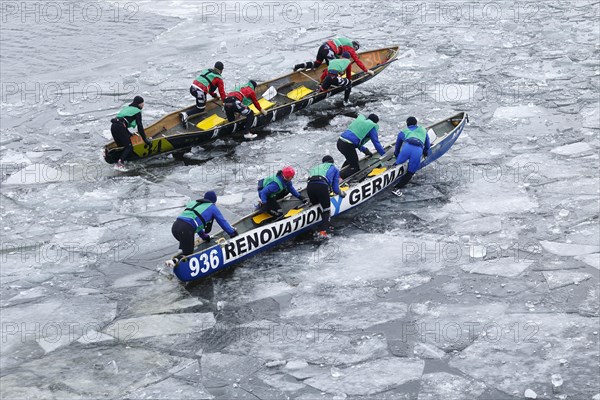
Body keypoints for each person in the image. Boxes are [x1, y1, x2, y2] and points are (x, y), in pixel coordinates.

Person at [168, 191, 238, 265]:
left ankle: (180, 252)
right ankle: (174, 261)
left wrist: (203, 235)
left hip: (175, 227)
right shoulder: (212, 207)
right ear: (214, 201)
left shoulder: (193, 203)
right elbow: (222, 222)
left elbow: (195, 221)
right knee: (188, 252)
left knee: (185, 243)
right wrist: (232, 233)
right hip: (186, 229)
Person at [307, 155, 346, 239]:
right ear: (332, 162)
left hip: (309, 187)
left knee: (317, 206)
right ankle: (322, 232)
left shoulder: (316, 167)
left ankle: (322, 224)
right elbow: (335, 189)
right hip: (321, 186)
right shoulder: (334, 168)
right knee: (326, 210)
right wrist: (341, 193)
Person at [293, 37, 375, 77]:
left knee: (317, 63)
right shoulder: (351, 49)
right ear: (354, 46)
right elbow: (357, 61)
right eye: (356, 49)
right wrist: (367, 70)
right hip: (329, 51)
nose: (355, 50)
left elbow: (337, 49)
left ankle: (297, 66)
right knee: (334, 68)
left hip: (323, 46)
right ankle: (324, 82)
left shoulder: (344, 40)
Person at [337, 113, 386, 179]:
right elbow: (376, 143)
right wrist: (384, 155)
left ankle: (339, 173)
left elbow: (355, 139)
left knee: (351, 160)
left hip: (340, 142)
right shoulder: (371, 127)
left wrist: (365, 150)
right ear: (375, 122)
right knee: (355, 168)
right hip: (347, 145)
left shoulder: (361, 123)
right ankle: (339, 178)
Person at [391, 117, 431, 196]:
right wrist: (425, 152)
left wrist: (397, 156)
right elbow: (427, 145)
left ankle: (389, 178)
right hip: (418, 150)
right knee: (410, 172)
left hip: (407, 148)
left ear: (407, 124)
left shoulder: (402, 132)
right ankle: (396, 188)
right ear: (416, 123)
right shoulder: (423, 129)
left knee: (396, 165)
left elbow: (397, 147)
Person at [180, 61, 227, 128]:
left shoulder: (207, 70)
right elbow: (222, 93)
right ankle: (186, 114)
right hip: (199, 91)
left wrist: (214, 95)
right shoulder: (219, 79)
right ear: (221, 70)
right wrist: (225, 102)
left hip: (193, 87)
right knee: (201, 108)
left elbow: (209, 86)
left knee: (201, 103)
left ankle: (197, 106)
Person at [110, 96, 152, 171]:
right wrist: (145, 139)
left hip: (113, 126)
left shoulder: (128, 108)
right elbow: (140, 126)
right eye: (142, 104)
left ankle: (120, 158)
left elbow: (122, 122)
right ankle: (120, 163)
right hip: (120, 127)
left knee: (122, 147)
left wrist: (129, 133)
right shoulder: (137, 111)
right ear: (139, 104)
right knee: (129, 146)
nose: (143, 105)